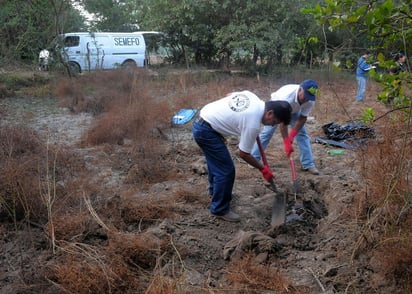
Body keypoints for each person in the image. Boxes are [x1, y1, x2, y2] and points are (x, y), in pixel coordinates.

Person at [192, 91, 292, 222]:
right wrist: (262, 168)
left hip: (204, 118)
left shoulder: (253, 97)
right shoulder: (253, 125)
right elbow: (243, 153)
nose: (272, 125)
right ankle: (219, 209)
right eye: (274, 121)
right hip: (206, 131)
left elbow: (230, 95)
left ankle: (215, 193)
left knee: (216, 163)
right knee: (226, 171)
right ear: (269, 113)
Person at [251, 80, 320, 175]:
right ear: (300, 89)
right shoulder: (287, 97)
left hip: (294, 110)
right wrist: (286, 141)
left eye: (309, 97)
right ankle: (254, 158)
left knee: (302, 134)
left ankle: (308, 164)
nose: (306, 100)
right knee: (267, 132)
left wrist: (292, 135)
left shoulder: (309, 100)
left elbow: (303, 118)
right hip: (277, 108)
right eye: (305, 96)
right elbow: (283, 122)